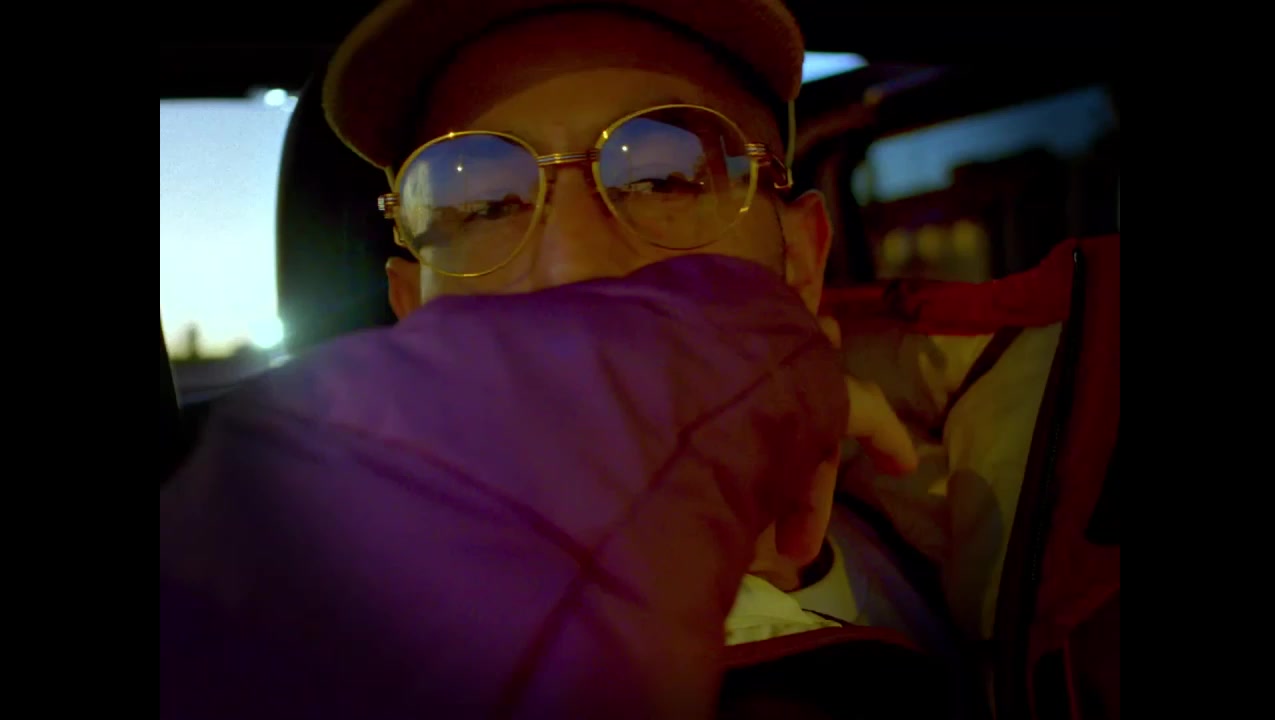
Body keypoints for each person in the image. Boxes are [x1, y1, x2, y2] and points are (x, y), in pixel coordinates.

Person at [160, 1, 937, 717]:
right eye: (480, 205)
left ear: (801, 261)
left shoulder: (960, 521)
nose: (572, 264)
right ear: (413, 306)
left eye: (662, 178)